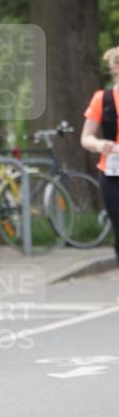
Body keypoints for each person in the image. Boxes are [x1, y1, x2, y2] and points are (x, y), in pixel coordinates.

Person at [81, 45, 119, 265]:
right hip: (112, 173)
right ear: (115, 68)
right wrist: (99, 144)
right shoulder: (102, 99)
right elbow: (86, 137)